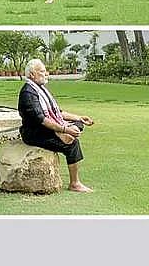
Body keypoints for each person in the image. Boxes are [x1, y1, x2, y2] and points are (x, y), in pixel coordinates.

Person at [18, 58, 95, 192]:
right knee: (72, 144)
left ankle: (66, 132)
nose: (46, 73)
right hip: (35, 133)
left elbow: (57, 112)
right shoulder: (28, 93)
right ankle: (75, 184)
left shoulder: (40, 89)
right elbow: (41, 120)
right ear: (32, 74)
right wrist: (64, 129)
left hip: (46, 128)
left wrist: (80, 118)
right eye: (42, 71)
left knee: (77, 125)